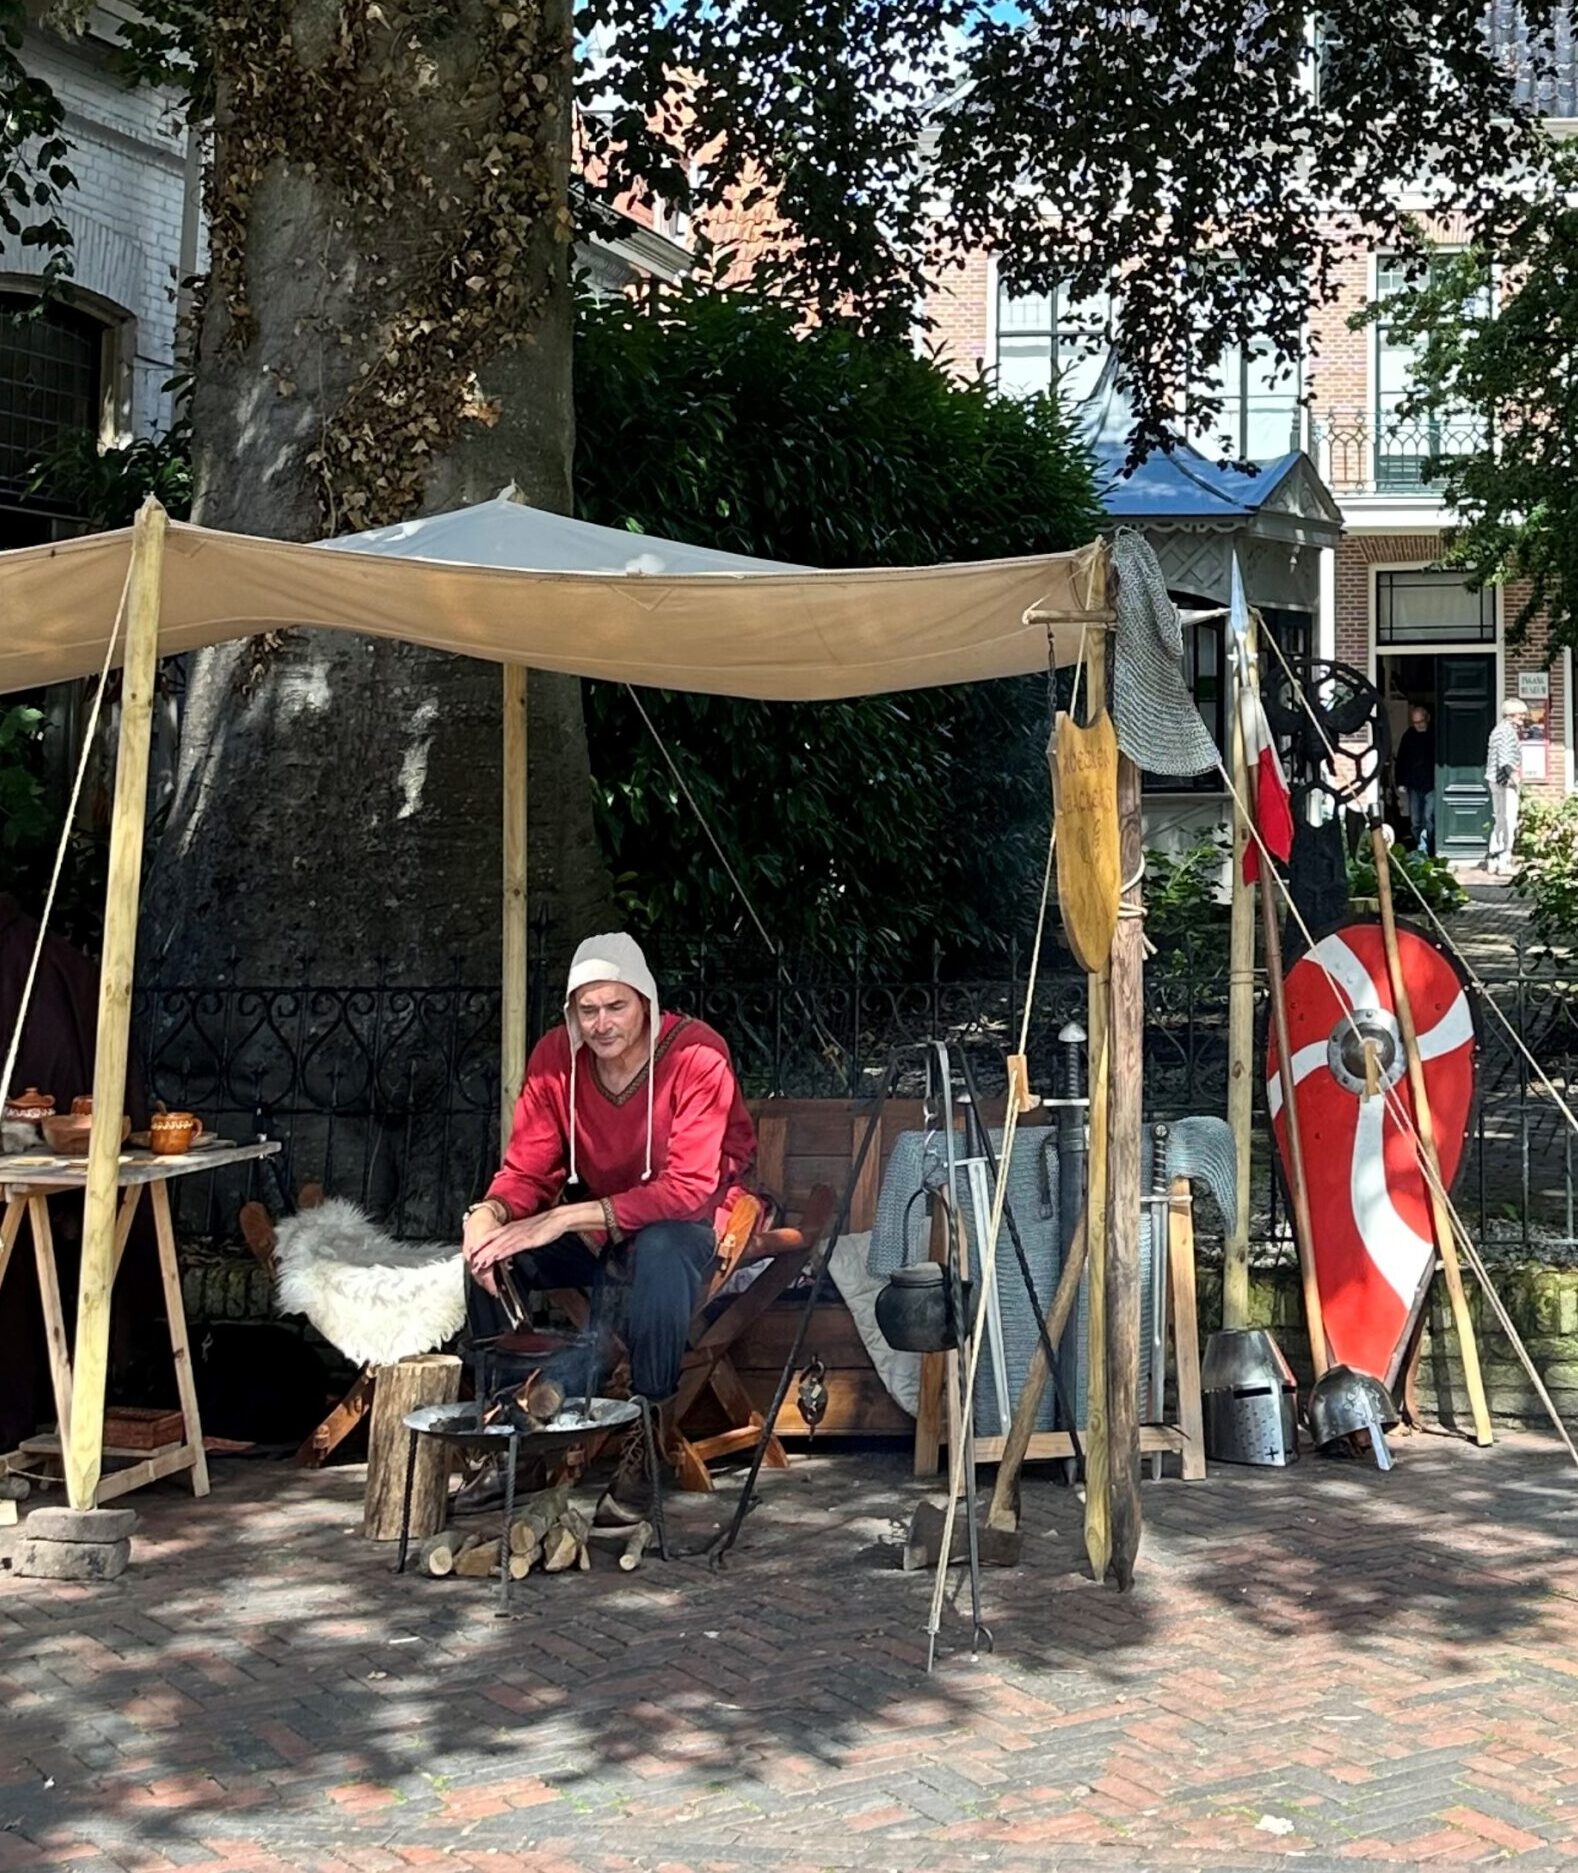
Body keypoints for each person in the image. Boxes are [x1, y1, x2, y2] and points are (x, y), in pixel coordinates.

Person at [461, 932, 756, 1522]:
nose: (601, 1024)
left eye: (615, 1006)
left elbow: (688, 1188)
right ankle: (511, 1437)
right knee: (495, 1254)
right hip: (603, 1223)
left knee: (664, 1253)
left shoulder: (697, 1055)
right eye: (586, 1009)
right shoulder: (556, 1059)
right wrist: (488, 1216)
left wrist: (563, 1217)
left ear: (644, 1000)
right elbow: (527, 1168)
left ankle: (645, 1442)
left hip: (691, 1221)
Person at [1485, 698, 1528, 876]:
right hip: (1504, 782)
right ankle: (1504, 860)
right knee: (1509, 820)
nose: (1523, 718)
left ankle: (1493, 858)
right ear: (1512, 714)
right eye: (1521, 714)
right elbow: (1504, 760)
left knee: (1499, 819)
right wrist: (1514, 778)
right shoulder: (1507, 732)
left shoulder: (1497, 730)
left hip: (1494, 780)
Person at [1394, 703, 1437, 856]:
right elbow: (1402, 759)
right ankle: (1420, 845)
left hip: (1432, 784)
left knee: (1429, 818)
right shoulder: (1409, 736)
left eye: (1421, 722)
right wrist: (1400, 781)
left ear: (1428, 719)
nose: (1418, 725)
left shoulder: (1436, 735)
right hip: (1414, 785)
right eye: (1415, 722)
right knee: (1416, 821)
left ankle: (1428, 849)